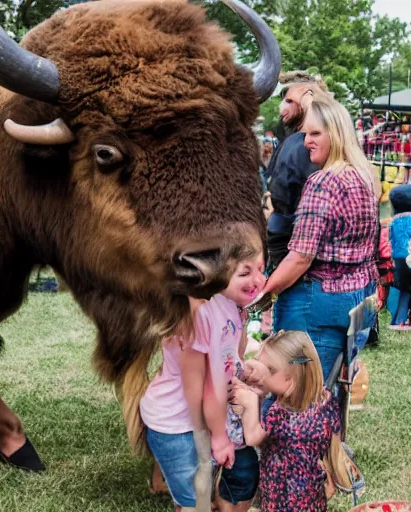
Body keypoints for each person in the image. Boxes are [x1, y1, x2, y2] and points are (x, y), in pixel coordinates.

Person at [257, 92, 381, 383]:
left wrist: (261, 294)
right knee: (328, 390)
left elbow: (301, 257)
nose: (307, 141)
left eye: (316, 133)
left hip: (316, 304)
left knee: (297, 394)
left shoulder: (323, 182)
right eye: (305, 134)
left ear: (336, 134)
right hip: (357, 298)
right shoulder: (363, 176)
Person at [139, 251, 265, 512]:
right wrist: (219, 439)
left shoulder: (230, 304)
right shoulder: (199, 315)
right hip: (176, 425)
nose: (258, 279)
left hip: (200, 418)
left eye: (261, 269)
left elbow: (231, 357)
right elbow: (207, 387)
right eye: (245, 272)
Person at [232, 331, 340, 512]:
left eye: (270, 370)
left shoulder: (280, 412)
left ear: (290, 379)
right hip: (311, 498)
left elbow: (252, 438)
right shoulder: (324, 400)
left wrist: (250, 404)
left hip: (283, 499)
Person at [263, 72, 329, 274]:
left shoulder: (311, 143)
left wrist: (309, 96)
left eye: (290, 100)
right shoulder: (292, 137)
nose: (283, 107)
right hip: (277, 238)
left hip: (294, 245)